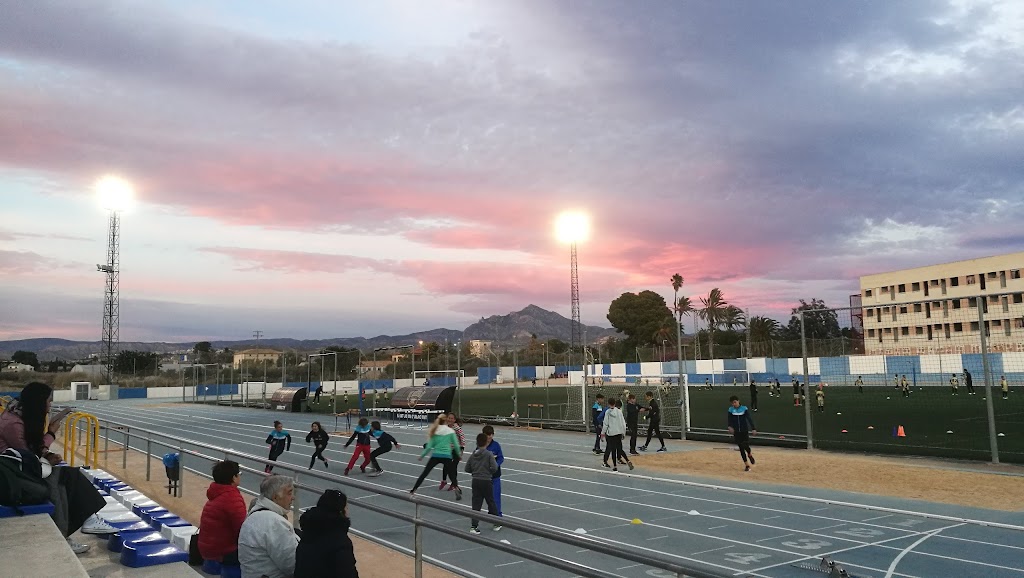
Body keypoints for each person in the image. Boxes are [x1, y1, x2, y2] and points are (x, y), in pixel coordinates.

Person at [0, 382, 112, 554]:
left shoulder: (19, 416)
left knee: (63, 478)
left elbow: (31, 449)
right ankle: (78, 527)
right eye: (48, 401)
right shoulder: (13, 424)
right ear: (38, 402)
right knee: (61, 478)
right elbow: (27, 456)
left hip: (17, 471)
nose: (50, 405)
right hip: (10, 478)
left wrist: (46, 453)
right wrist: (51, 433)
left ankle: (74, 530)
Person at [238, 475, 299, 578]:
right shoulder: (274, 523)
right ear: (275, 497)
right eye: (289, 493)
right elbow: (293, 565)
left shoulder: (255, 514)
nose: (293, 497)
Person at [294, 489, 358, 578]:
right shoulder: (340, 541)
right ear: (341, 511)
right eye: (346, 507)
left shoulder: (307, 532)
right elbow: (348, 573)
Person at [198, 460, 246, 567]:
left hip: (207, 547)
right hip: (221, 552)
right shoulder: (232, 498)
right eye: (238, 474)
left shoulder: (215, 493)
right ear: (233, 478)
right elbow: (242, 531)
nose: (239, 477)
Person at [409, 415, 462, 499]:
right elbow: (456, 445)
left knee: (425, 473)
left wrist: (422, 455)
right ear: (445, 421)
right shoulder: (450, 431)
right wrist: (459, 455)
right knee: (451, 473)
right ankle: (456, 487)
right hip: (447, 455)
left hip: (436, 455)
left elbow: (429, 446)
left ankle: (413, 490)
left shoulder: (435, 431)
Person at [464, 433, 500, 534]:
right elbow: (494, 467)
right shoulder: (489, 454)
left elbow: (467, 468)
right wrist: (488, 472)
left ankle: (473, 526)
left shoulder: (473, 454)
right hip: (486, 480)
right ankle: (496, 522)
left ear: (477, 442)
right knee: (490, 501)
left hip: (475, 480)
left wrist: (475, 472)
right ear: (486, 442)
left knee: (476, 503)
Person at [601, 398, 633, 471]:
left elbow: (605, 424)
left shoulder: (607, 412)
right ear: (615, 403)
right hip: (618, 433)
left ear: (609, 404)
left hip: (611, 434)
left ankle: (615, 466)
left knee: (613, 450)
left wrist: (602, 433)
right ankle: (628, 460)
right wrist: (623, 433)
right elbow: (623, 423)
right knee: (619, 448)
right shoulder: (619, 412)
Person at [727, 395, 756, 471]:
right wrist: (729, 427)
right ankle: (747, 465)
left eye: (735, 402)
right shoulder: (730, 410)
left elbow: (749, 419)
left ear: (738, 401)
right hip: (736, 432)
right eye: (732, 403)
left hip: (744, 431)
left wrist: (753, 428)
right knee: (741, 448)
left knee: (746, 445)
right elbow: (729, 420)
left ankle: (749, 454)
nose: (734, 404)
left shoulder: (744, 409)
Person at [481, 425, 503, 518]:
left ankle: (498, 516)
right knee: (487, 497)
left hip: (495, 476)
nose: (489, 437)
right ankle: (491, 513)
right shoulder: (480, 445)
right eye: (487, 435)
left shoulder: (496, 445)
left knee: (496, 497)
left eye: (491, 435)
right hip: (484, 476)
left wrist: (496, 465)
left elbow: (501, 458)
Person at [439, 413, 465, 492]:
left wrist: (461, 449)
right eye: (449, 418)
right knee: (446, 466)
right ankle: (444, 481)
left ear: (454, 420)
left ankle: (454, 484)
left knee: (453, 467)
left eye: (452, 418)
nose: (450, 420)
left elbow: (462, 438)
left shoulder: (457, 428)